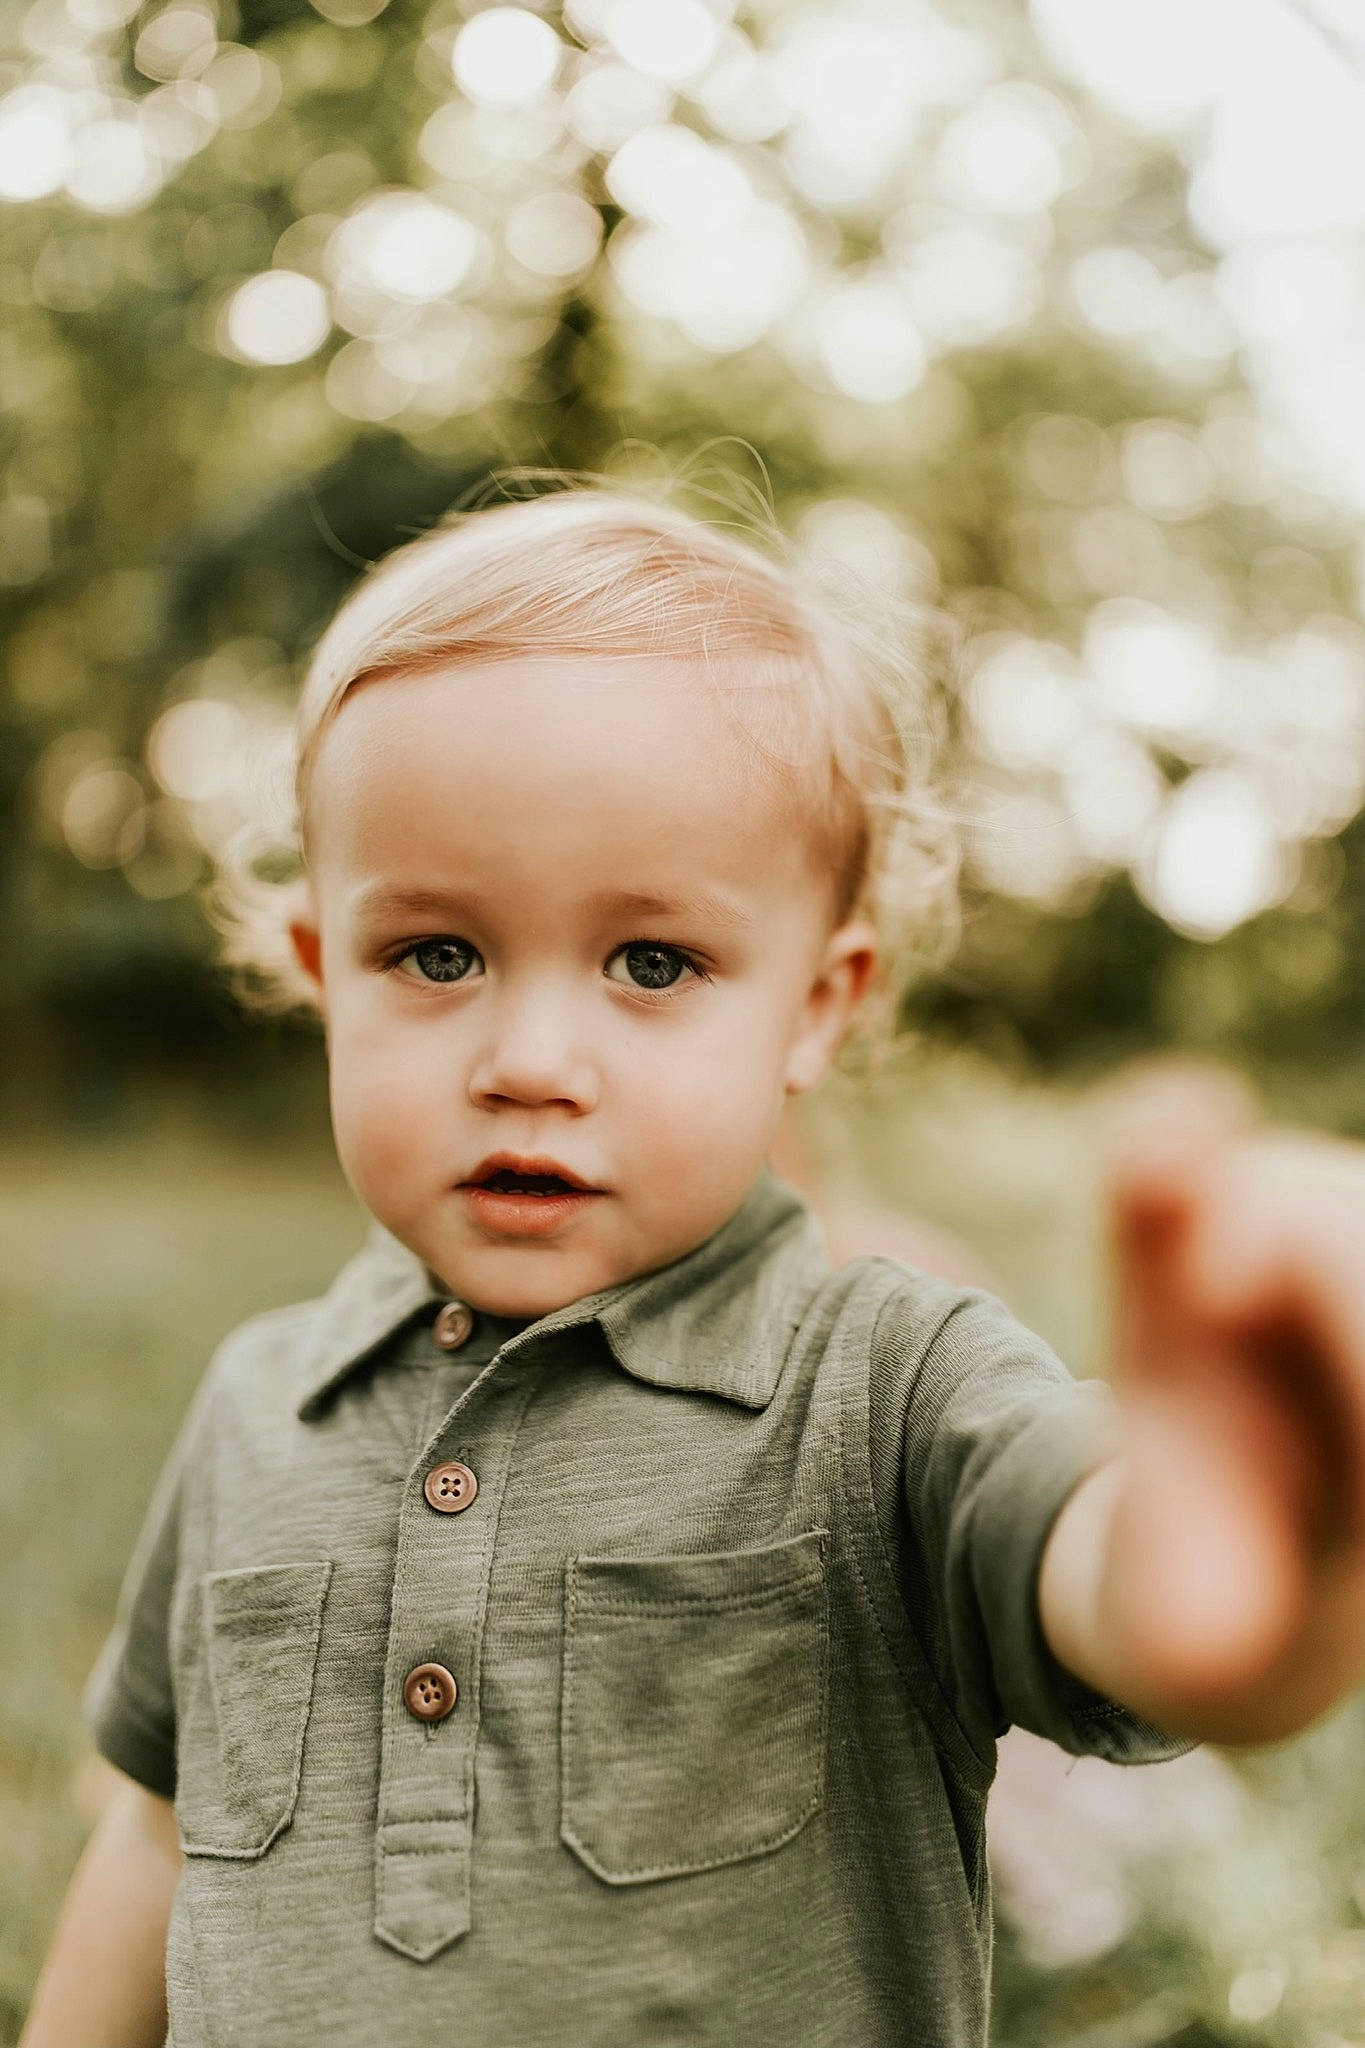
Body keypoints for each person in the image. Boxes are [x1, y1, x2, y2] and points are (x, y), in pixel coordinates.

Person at [20, 486, 1365, 2048]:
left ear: (814, 1005)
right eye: (436, 956)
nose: (529, 1061)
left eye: (652, 963)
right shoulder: (261, 1404)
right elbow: (157, 1836)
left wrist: (1266, 1516)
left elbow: (1136, 1604)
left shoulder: (885, 1380)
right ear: (326, 973)